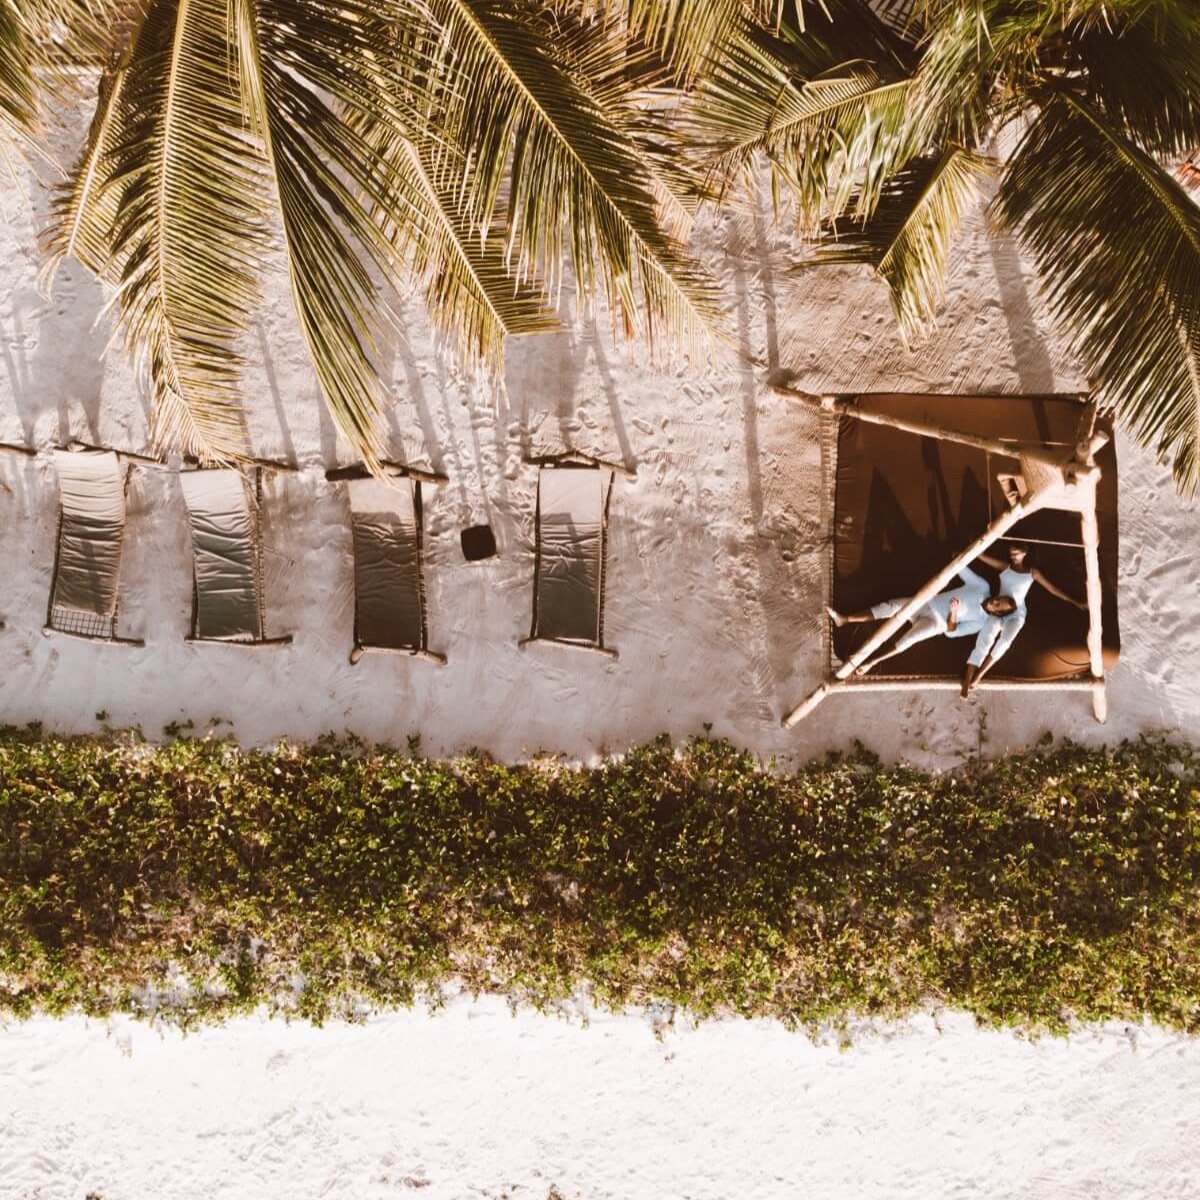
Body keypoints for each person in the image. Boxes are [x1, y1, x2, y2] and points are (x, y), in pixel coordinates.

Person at [827, 565, 1019, 676]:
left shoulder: (981, 622)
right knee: (891, 606)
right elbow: (960, 567)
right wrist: (958, 558)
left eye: (998, 607)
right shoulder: (982, 586)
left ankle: (871, 662)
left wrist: (953, 613)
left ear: (997, 614)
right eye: (999, 600)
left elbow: (951, 633)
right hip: (928, 601)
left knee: (908, 640)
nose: (995, 602)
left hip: (938, 623)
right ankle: (845, 619)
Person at [960, 541, 1087, 696]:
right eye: (1011, 553)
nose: (1012, 556)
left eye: (1016, 553)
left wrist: (1074, 601)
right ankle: (967, 680)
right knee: (985, 640)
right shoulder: (1005, 567)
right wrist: (966, 551)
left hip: (1017, 615)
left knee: (1005, 642)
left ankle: (979, 675)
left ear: (1024, 553)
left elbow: (1052, 589)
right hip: (998, 611)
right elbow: (982, 556)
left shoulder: (1032, 572)